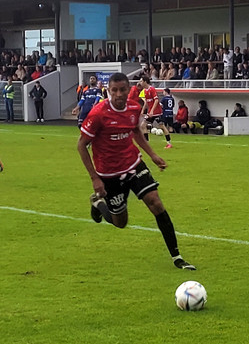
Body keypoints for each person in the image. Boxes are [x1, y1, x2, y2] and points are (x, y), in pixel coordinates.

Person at [78, 72, 196, 270]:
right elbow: (82, 145)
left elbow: (135, 131)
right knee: (120, 222)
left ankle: (177, 257)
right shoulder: (98, 114)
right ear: (109, 91)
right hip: (109, 174)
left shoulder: (133, 108)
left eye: (122, 90)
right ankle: (98, 203)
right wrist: (95, 178)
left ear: (128, 90)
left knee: (156, 203)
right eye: (113, 90)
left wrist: (153, 155)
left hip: (134, 165)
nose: (118, 94)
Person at [137, 75, 172, 148]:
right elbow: (146, 102)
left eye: (141, 81)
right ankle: (146, 143)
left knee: (162, 126)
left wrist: (152, 111)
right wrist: (143, 110)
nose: (140, 82)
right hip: (150, 112)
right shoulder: (145, 91)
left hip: (157, 112)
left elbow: (156, 100)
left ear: (145, 81)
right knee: (143, 125)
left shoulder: (152, 89)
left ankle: (169, 143)